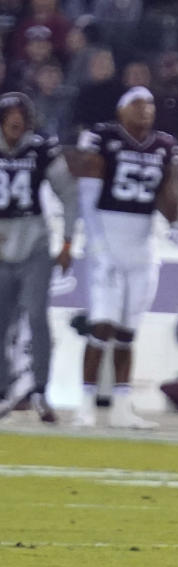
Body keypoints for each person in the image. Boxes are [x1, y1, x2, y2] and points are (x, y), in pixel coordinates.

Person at [74, 86, 178, 429]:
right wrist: (98, 246)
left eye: (151, 103)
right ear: (121, 110)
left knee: (128, 330)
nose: (146, 109)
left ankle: (122, 405)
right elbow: (87, 197)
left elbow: (171, 197)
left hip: (141, 243)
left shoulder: (164, 146)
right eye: (138, 103)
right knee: (101, 325)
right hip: (107, 236)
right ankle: (85, 403)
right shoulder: (102, 138)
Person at [0, 92, 76, 422]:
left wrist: (68, 242)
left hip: (33, 242)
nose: (17, 130)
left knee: (36, 317)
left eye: (22, 123)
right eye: (11, 123)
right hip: (2, 244)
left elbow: (69, 195)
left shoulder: (42, 149)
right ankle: (4, 390)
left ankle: (41, 391)